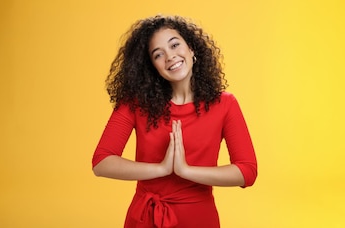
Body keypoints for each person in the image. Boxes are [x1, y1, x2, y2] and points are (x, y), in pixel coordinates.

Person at [92, 15, 258, 228]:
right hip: (145, 218)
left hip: (198, 219)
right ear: (152, 66)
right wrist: (161, 168)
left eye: (175, 45)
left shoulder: (225, 104)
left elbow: (247, 172)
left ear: (191, 49)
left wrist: (186, 170)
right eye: (158, 54)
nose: (170, 57)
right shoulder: (134, 104)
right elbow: (101, 162)